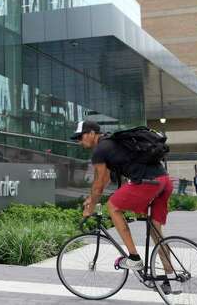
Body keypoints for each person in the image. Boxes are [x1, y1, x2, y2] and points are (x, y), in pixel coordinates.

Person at [73, 119, 176, 293]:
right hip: (164, 181)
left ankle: (134, 258)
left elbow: (98, 183)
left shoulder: (100, 149)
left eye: (80, 136)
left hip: (147, 182)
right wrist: (92, 199)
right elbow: (104, 180)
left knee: (113, 206)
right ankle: (171, 278)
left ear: (91, 133)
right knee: (155, 232)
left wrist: (89, 209)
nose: (79, 141)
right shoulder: (114, 143)